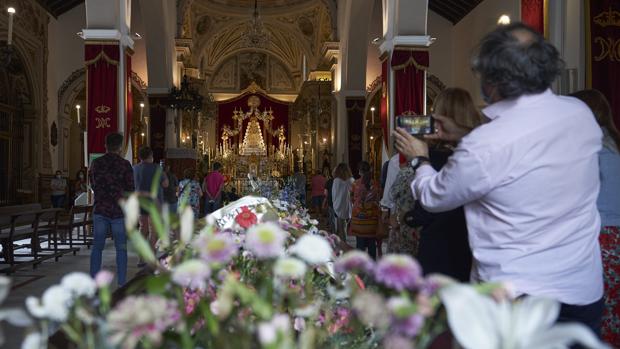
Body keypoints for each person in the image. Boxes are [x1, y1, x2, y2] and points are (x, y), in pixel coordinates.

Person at [394, 22, 604, 334]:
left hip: (515, 301)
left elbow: (435, 197)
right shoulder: (580, 114)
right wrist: (463, 132)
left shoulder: (485, 145)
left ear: (492, 80)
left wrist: (419, 156)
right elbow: (521, 145)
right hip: (581, 288)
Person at [412, 88, 483, 281]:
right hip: (472, 245)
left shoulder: (432, 156)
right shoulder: (482, 148)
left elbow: (424, 209)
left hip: (439, 245)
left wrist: (419, 157)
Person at [571, 89, 620, 346]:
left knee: (595, 315)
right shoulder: (614, 144)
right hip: (617, 237)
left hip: (598, 238)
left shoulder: (587, 150)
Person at [89, 133, 134, 286]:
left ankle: (94, 282)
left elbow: (93, 185)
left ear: (105, 145)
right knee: (121, 248)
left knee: (97, 248)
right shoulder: (125, 165)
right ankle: (121, 282)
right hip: (118, 212)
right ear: (120, 147)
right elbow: (130, 189)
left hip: (101, 209)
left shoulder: (96, 163)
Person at [133, 146, 168, 258]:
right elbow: (165, 184)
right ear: (151, 156)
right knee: (154, 230)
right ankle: (152, 256)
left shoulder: (134, 168)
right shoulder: (157, 168)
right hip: (155, 203)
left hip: (140, 202)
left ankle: (141, 256)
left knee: (143, 228)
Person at [351, 161, 380, 259]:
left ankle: (361, 268)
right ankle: (372, 266)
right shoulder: (375, 183)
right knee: (372, 243)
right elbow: (378, 199)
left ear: (359, 171)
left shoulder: (355, 184)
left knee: (360, 244)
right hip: (372, 218)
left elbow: (352, 199)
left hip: (359, 218)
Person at [331, 163, 354, 241]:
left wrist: (334, 203)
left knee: (341, 228)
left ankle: (343, 245)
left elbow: (334, 194)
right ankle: (344, 242)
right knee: (345, 227)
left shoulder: (337, 180)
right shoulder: (351, 180)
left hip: (339, 205)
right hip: (349, 206)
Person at [323, 169, 336, 234]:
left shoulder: (329, 181)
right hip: (339, 202)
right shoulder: (343, 181)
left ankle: (334, 232)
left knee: (332, 217)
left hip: (331, 201)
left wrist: (325, 201)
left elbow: (325, 193)